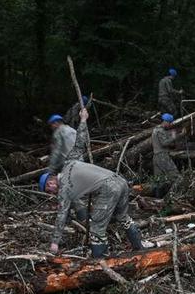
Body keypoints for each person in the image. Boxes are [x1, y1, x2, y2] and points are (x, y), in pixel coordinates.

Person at [40, 108, 143, 258]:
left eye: (49, 190)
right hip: (120, 181)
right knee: (123, 217)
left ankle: (99, 263)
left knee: (96, 227)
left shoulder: (65, 189)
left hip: (110, 188)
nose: (52, 193)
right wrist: (83, 120)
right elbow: (79, 143)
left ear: (50, 183)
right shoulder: (70, 161)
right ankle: (139, 248)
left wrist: (54, 243)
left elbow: (61, 216)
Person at [46, 114, 89, 223]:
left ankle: (81, 218)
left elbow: (57, 152)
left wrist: (51, 170)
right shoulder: (72, 130)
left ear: (56, 123)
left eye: (51, 125)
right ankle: (74, 217)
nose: (51, 128)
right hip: (80, 163)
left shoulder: (59, 132)